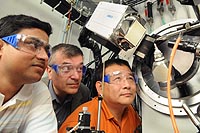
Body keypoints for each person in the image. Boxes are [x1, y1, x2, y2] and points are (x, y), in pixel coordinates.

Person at [0, 14, 57, 132]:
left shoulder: (38, 91)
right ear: (1, 47)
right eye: (32, 45)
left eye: (47, 51)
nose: (44, 57)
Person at [59, 58, 141, 133]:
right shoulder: (80, 123)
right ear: (100, 87)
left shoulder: (130, 112)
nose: (127, 85)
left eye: (130, 78)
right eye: (117, 79)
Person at [42, 43, 91, 129]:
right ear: (49, 71)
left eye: (80, 69)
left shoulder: (83, 93)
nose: (76, 77)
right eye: (66, 69)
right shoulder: (33, 91)